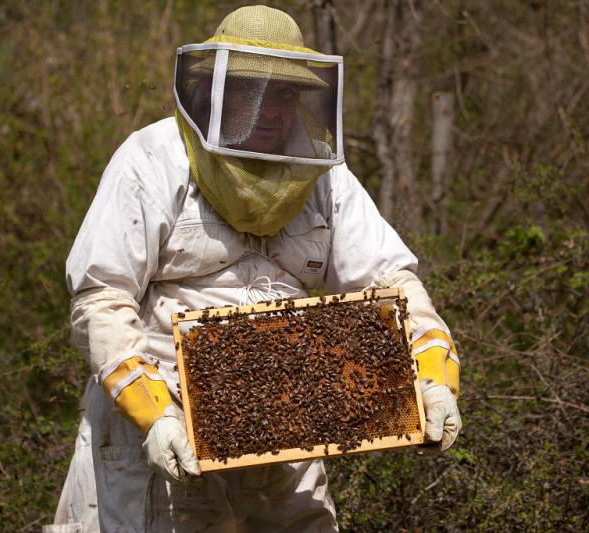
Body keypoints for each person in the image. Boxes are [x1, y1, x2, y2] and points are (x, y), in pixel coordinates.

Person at [43, 5, 461, 532]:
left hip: (286, 435)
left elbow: (391, 282)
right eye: (250, 89)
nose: (269, 110)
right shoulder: (152, 160)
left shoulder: (323, 174)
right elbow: (101, 298)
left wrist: (434, 377)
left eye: (285, 93)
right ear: (213, 86)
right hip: (161, 431)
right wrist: (155, 413)